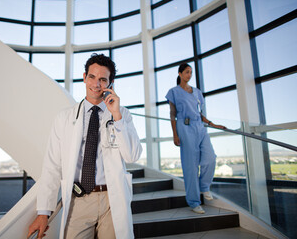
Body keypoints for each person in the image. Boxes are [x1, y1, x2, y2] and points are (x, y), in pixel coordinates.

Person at [27, 53, 142, 238]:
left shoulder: (122, 115)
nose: (96, 84)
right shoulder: (64, 118)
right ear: (84, 77)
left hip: (112, 200)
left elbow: (133, 155)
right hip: (79, 200)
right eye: (92, 77)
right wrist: (43, 212)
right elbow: (52, 166)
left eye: (103, 79)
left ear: (111, 84)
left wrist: (117, 117)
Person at [165, 63, 225, 214]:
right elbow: (172, 114)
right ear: (180, 74)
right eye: (186, 72)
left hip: (200, 127)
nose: (189, 75)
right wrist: (175, 134)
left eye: (191, 72)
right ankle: (194, 202)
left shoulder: (197, 92)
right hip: (184, 128)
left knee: (210, 157)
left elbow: (199, 113)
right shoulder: (174, 92)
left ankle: (204, 187)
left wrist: (212, 124)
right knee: (190, 165)